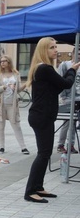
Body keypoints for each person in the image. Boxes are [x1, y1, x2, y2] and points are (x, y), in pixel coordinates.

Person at [24, 37, 80, 203]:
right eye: (52, 48)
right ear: (43, 51)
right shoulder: (45, 69)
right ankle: (30, 191)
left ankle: (38, 187)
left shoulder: (44, 69)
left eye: (55, 47)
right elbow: (66, 84)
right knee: (43, 154)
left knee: (46, 153)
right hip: (41, 117)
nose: (56, 50)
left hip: (42, 116)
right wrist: (72, 70)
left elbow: (54, 89)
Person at [0, 55, 29, 154]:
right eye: (1, 61)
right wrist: (5, 86)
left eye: (4, 61)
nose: (2, 63)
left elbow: (19, 89)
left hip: (12, 103)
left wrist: (26, 84)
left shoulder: (16, 74)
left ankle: (23, 147)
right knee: (0, 126)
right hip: (0, 103)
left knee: (16, 125)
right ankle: (1, 147)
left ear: (9, 62)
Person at [57, 55, 80, 154]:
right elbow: (61, 79)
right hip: (68, 98)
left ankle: (71, 144)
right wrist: (63, 97)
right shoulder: (65, 65)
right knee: (67, 122)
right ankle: (61, 144)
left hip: (79, 98)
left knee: (74, 123)